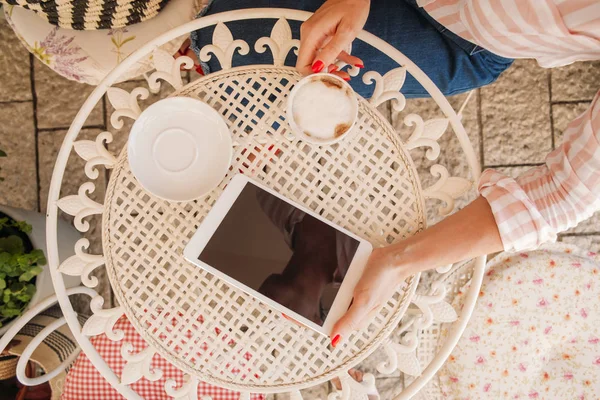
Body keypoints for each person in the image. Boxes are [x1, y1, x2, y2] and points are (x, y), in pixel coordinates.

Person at [185, 0, 600, 347]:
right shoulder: (334, 242)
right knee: (238, 39)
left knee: (234, 32)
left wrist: (397, 262)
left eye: (273, 287)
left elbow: (564, 194)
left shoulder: (278, 213)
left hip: (466, 37)